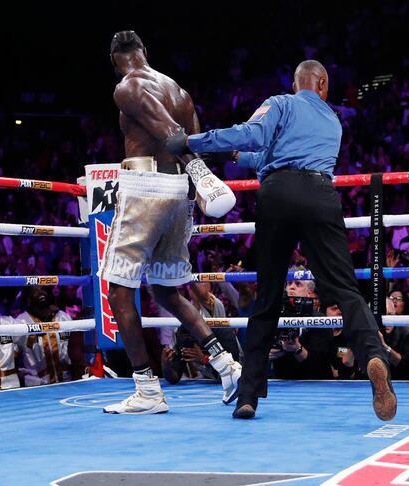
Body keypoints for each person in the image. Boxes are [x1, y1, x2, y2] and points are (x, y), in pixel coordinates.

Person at [166, 60, 396, 420]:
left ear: (296, 84)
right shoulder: (333, 121)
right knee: (346, 291)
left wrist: (191, 141)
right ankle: (375, 359)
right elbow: (272, 152)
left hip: (278, 196)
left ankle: (248, 396)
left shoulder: (282, 103)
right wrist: (240, 157)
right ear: (322, 84)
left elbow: (253, 134)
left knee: (268, 296)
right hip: (321, 194)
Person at [101, 31, 241, 414]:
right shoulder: (177, 89)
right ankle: (226, 365)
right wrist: (201, 176)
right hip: (179, 193)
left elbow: (175, 135)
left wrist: (200, 170)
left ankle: (147, 391)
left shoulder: (127, 87)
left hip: (145, 188)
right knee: (166, 290)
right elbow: (193, 136)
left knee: (118, 290)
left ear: (116, 60)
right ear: (144, 51)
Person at [161, 283, 242, 384]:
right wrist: (166, 367)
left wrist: (203, 359)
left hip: (234, 366)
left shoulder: (214, 304)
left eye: (201, 282)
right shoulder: (185, 330)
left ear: (209, 288)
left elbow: (233, 376)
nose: (192, 287)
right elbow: (173, 377)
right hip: (207, 381)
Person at [15, 287, 75, 386]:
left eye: (42, 288)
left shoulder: (63, 317)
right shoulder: (21, 321)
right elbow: (12, 355)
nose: (40, 292)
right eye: (35, 290)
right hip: (38, 384)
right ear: (29, 295)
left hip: (67, 380)